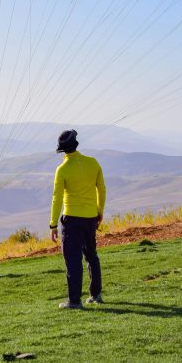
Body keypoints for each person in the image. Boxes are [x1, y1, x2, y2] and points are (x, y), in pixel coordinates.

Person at [49, 129, 106, 309]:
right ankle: (95, 295)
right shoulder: (93, 162)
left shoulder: (62, 170)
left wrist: (52, 224)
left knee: (73, 260)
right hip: (90, 218)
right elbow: (102, 189)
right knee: (91, 256)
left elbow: (57, 199)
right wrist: (99, 211)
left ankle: (74, 301)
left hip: (72, 220)